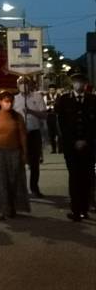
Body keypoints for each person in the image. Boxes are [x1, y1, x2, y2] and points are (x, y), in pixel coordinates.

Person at [55, 73, 96, 221]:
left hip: (88, 146)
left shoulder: (92, 100)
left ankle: (85, 209)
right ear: (72, 83)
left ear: (85, 84)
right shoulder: (64, 100)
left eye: (81, 81)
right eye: (76, 82)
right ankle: (76, 210)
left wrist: (86, 140)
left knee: (87, 178)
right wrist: (73, 141)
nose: (78, 84)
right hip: (71, 147)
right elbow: (61, 124)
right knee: (74, 177)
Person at [0, 89, 30, 220]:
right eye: (6, 101)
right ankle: (2, 210)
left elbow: (23, 136)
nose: (9, 104)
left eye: (11, 101)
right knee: (0, 182)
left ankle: (12, 207)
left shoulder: (18, 117)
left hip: (14, 152)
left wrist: (24, 153)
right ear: (0, 102)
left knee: (14, 181)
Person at [13, 75, 48, 197]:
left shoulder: (37, 97)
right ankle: (20, 189)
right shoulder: (15, 99)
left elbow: (44, 115)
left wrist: (31, 111)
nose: (24, 85)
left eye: (26, 82)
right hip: (19, 134)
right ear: (17, 85)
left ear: (31, 84)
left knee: (34, 163)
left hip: (34, 133)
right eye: (21, 83)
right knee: (19, 162)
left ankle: (34, 188)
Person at [46, 86, 60, 154]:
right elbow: (44, 106)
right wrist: (49, 105)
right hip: (50, 116)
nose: (52, 91)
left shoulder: (59, 96)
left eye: (53, 89)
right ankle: (53, 149)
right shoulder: (46, 96)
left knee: (59, 133)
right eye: (50, 90)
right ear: (49, 90)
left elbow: (60, 105)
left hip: (57, 115)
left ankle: (60, 149)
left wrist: (54, 103)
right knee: (51, 133)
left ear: (55, 90)